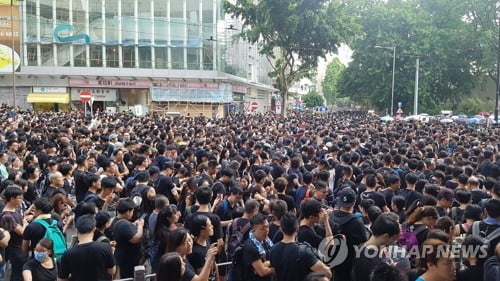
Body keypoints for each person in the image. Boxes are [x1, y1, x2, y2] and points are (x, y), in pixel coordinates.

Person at [270, 212, 332, 281]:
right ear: (297, 228)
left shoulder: (273, 250)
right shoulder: (304, 251)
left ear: (281, 229)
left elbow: (274, 273)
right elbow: (327, 272)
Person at [58, 214, 116, 281]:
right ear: (94, 229)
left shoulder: (68, 253)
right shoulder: (105, 247)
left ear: (77, 229)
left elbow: (62, 278)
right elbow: (112, 271)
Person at [329, 188, 369, 281]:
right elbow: (364, 244)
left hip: (332, 260)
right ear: (354, 202)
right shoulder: (357, 223)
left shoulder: (331, 217)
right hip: (349, 264)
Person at [352, 214, 401, 281]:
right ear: (386, 236)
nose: (393, 242)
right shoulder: (380, 267)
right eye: (393, 239)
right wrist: (390, 270)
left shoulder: (358, 248)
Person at [1, 185, 28, 281]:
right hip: (15, 249)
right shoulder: (7, 215)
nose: (21, 200)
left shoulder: (15, 211)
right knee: (17, 274)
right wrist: (25, 223)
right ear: (12, 198)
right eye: (19, 198)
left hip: (21, 247)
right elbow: (21, 231)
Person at [112, 198, 144, 279]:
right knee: (129, 277)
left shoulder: (117, 220)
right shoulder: (123, 225)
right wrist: (140, 226)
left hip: (125, 256)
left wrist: (133, 224)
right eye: (132, 211)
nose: (133, 213)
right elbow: (136, 238)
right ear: (127, 212)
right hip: (128, 260)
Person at [242, 214, 273, 281]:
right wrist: (277, 266)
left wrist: (268, 263)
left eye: (267, 227)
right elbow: (262, 272)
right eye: (263, 228)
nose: (266, 230)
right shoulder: (251, 247)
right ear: (254, 230)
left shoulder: (267, 241)